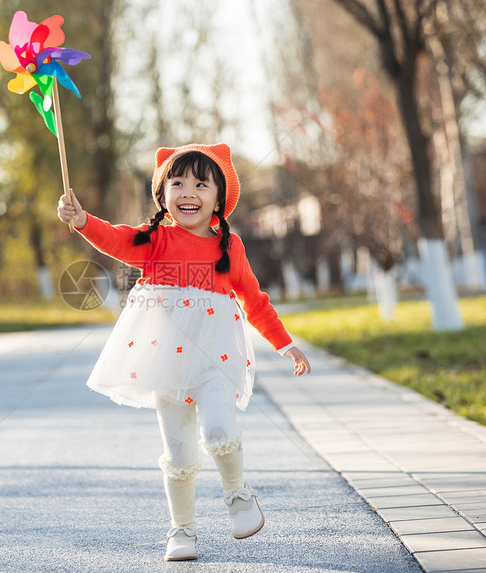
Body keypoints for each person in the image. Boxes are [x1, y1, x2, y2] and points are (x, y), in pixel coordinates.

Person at [56, 143, 311, 562]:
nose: (188, 191)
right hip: (165, 358)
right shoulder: (155, 238)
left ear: (218, 197)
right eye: (177, 183)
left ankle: (238, 495)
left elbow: (253, 298)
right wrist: (83, 220)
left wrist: (283, 342)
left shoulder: (230, 245)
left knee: (217, 428)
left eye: (200, 183)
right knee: (178, 452)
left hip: (216, 356)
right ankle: (183, 529)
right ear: (163, 196)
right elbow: (117, 240)